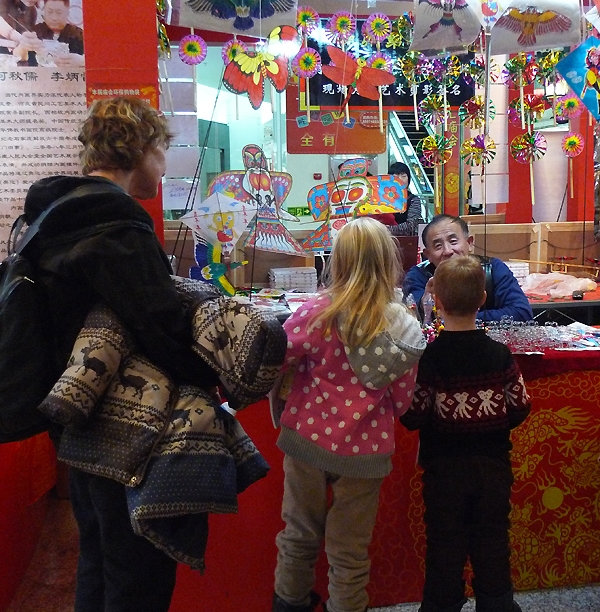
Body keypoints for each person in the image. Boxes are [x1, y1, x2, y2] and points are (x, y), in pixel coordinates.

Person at [24, 96, 220, 612]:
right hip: (127, 429)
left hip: (73, 419)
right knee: (139, 575)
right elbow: (163, 328)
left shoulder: (52, 216)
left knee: (98, 560)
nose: (163, 165)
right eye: (162, 151)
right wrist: (216, 372)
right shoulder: (118, 226)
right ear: (142, 148)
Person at [271, 217, 426, 612]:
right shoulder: (404, 326)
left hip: (306, 441)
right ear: (387, 261)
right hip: (366, 452)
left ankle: (289, 604)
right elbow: (403, 400)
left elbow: (277, 359)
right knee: (349, 551)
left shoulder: (316, 312)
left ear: (336, 262)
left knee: (298, 535)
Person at [399, 255, 531, 612]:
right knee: (492, 540)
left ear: (436, 302)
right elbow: (520, 407)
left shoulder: (430, 356)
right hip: (492, 467)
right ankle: (497, 604)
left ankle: (441, 604)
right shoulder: (500, 354)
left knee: (444, 543)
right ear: (484, 299)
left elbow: (414, 415)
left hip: (443, 470)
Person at [402, 214, 533, 322]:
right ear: (428, 255)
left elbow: (522, 313)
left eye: (453, 241)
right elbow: (414, 317)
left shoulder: (491, 269)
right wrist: (427, 302)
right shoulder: (419, 276)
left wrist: (462, 320)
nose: (448, 251)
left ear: (469, 243)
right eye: (438, 246)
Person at [369, 161, 424, 236]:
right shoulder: (381, 198)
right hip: (382, 240)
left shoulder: (413, 200)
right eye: (396, 177)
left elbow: (412, 225)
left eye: (404, 176)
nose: (400, 180)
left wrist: (386, 229)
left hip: (405, 241)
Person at [34, 0, 84, 66]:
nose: (54, 18)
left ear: (67, 13)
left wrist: (82, 61)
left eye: (59, 13)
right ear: (44, 11)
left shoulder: (78, 34)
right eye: (50, 12)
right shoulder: (34, 32)